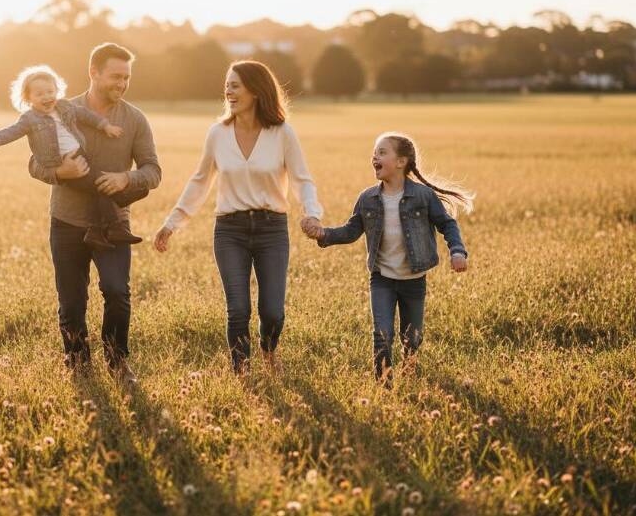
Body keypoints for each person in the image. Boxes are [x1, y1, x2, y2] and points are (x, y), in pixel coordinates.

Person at [154, 60, 323, 375]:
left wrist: (312, 214)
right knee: (238, 309)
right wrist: (172, 223)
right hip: (230, 231)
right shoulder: (217, 133)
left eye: (235, 86)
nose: (228, 92)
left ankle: (269, 352)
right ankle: (241, 370)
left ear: (256, 91)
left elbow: (302, 179)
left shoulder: (282, 133)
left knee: (273, 311)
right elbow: (200, 181)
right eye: (226, 86)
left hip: (272, 230)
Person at [28, 44, 161, 385]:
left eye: (126, 77)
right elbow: (34, 164)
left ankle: (118, 362)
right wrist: (60, 173)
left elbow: (153, 170)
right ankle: (77, 363)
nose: (122, 83)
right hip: (67, 222)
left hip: (114, 224)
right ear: (93, 73)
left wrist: (126, 178)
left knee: (117, 291)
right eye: (116, 76)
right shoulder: (59, 110)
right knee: (72, 302)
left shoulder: (135, 119)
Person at [305, 132, 473, 384]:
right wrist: (323, 234)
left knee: (412, 337)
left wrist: (457, 251)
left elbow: (447, 224)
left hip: (414, 279)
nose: (375, 157)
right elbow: (351, 231)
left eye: (382, 152)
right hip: (381, 278)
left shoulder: (423, 196)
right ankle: (383, 384)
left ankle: (409, 368)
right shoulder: (367, 199)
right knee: (382, 335)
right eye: (374, 152)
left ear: (401, 162)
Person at [0, 64, 147, 250]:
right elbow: (12, 132)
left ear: (57, 91)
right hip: (64, 164)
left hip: (81, 156)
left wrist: (105, 125)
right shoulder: (30, 119)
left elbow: (85, 115)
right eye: (39, 94)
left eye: (50, 91)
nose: (47, 97)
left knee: (97, 188)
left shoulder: (65, 107)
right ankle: (118, 214)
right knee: (101, 185)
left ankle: (97, 231)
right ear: (28, 98)